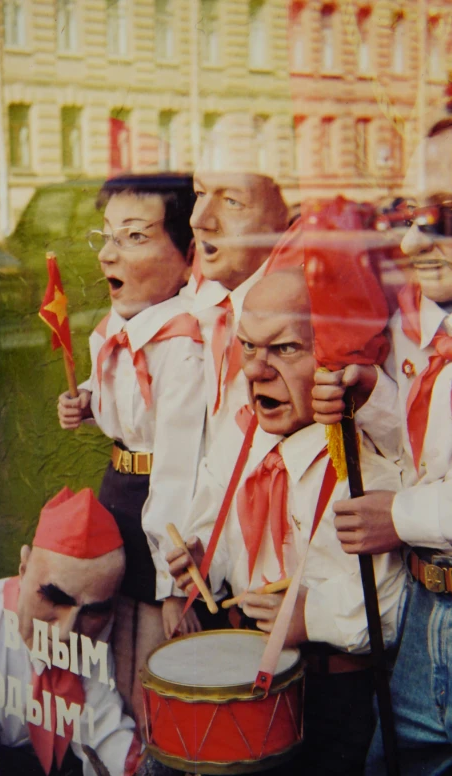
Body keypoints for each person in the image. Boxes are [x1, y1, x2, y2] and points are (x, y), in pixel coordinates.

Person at [167, 271, 407, 776]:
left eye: (286, 349)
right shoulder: (236, 441)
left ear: (334, 362)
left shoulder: (363, 466)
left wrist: (308, 620)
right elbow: (221, 544)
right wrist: (198, 561)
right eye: (249, 346)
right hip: (244, 673)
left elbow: (392, 611)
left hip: (333, 696)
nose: (256, 370)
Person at [312, 116, 452, 775]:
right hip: (430, 609)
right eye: (409, 213)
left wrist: (397, 517)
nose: (409, 238)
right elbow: (427, 451)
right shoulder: (426, 329)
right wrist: (369, 399)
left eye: (440, 215)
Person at [57, 174, 208, 729]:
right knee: (114, 645)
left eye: (135, 237)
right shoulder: (118, 326)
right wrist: (89, 403)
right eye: (106, 237)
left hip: (159, 509)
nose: (108, 254)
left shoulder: (183, 344)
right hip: (118, 493)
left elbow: (176, 465)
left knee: (154, 662)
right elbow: (124, 403)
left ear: (187, 255)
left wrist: (174, 587)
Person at [0, 486, 139, 776]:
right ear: (23, 568)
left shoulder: (96, 629)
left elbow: (102, 730)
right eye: (54, 598)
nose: (65, 633)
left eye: (92, 611)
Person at [185, 166, 289, 441]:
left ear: (284, 217)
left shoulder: (305, 320)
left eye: (232, 201)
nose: (198, 219)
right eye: (200, 193)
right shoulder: (195, 297)